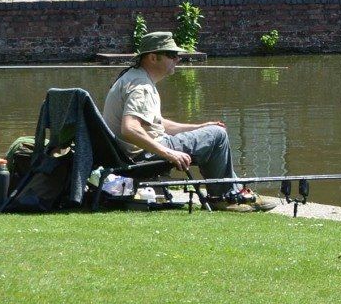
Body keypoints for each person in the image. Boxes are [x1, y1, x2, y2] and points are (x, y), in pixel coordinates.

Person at [103, 31, 275, 212]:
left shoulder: (133, 77)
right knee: (218, 135)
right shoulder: (141, 86)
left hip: (133, 153)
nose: (177, 59)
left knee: (211, 133)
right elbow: (130, 128)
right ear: (153, 58)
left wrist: (200, 127)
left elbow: (158, 124)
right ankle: (224, 198)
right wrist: (169, 153)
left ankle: (237, 191)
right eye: (172, 55)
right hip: (140, 157)